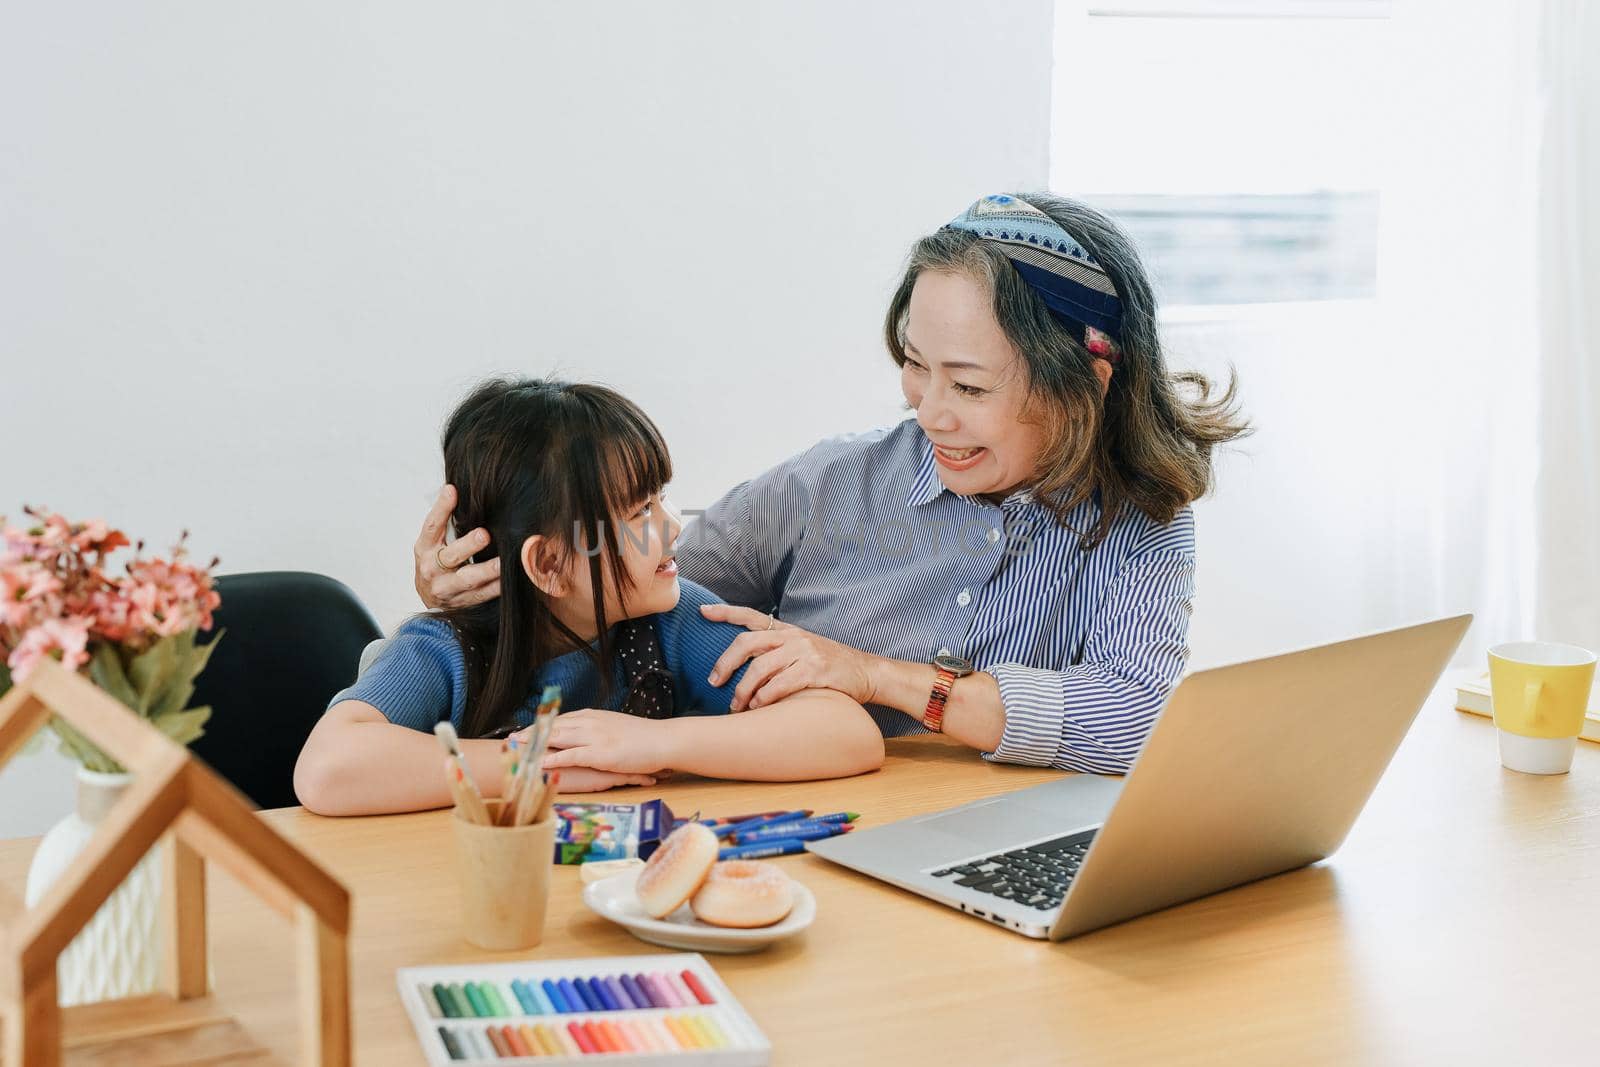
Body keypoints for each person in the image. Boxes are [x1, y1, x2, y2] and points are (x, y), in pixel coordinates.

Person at [414, 192, 1250, 775]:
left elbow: (1134, 719)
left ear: (1088, 386)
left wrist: (874, 675)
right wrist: (494, 597)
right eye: (914, 367)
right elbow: (630, 589)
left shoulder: (1144, 524)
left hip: (1000, 838)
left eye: (969, 386)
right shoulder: (830, 485)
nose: (929, 411)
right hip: (816, 833)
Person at [294, 378, 883, 816]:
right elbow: (327, 770)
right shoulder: (445, 648)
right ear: (548, 563)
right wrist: (539, 766)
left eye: (662, 500)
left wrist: (651, 742)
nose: (675, 526)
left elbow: (845, 732)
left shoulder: (673, 620)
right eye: (639, 512)